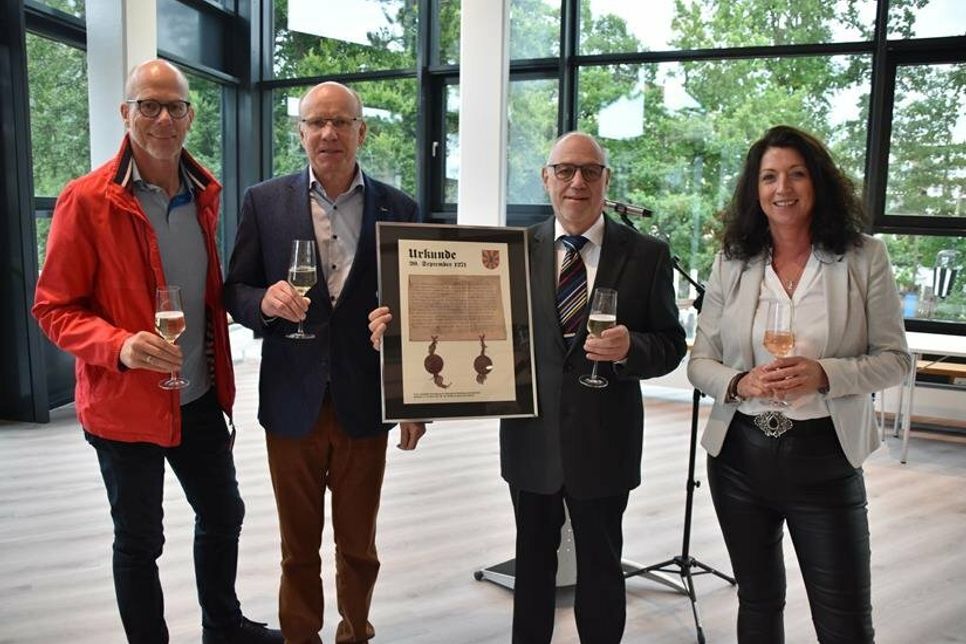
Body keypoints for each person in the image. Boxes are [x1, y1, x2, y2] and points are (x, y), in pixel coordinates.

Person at [369, 132, 687, 643]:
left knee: (602, 573)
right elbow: (459, 323)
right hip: (532, 439)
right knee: (533, 573)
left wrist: (632, 348)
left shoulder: (648, 254)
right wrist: (401, 331)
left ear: (607, 180)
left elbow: (671, 344)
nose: (576, 182)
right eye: (565, 170)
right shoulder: (511, 251)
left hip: (606, 442)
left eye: (589, 171)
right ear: (546, 178)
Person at [31, 60, 281, 643]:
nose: (163, 118)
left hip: (195, 395)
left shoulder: (203, 195)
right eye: (149, 105)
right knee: (140, 540)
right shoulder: (86, 201)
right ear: (126, 113)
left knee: (224, 516)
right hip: (124, 407)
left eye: (176, 106)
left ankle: (222, 626)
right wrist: (119, 346)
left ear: (191, 115)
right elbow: (52, 308)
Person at [687, 125, 911, 643]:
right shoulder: (731, 262)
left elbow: (896, 360)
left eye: (795, 174)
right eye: (768, 177)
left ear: (817, 182)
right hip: (738, 460)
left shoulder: (864, 257)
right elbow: (701, 362)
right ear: (755, 189)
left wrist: (825, 373)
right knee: (758, 604)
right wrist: (741, 381)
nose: (781, 188)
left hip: (825, 460)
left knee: (845, 623)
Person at [224, 81, 427, 644]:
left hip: (366, 402)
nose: (328, 133)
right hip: (292, 401)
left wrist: (412, 401)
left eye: (341, 122)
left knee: (359, 545)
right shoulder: (264, 202)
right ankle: (300, 636)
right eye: (316, 122)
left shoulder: (399, 208)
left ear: (361, 132)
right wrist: (263, 302)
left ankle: (354, 631)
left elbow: (419, 309)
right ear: (301, 132)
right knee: (297, 547)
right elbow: (235, 289)